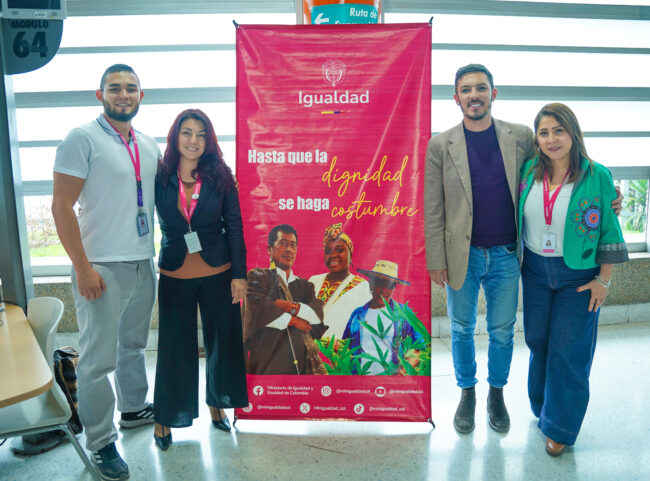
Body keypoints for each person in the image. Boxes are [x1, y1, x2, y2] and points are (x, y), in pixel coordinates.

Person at [52, 64, 159, 480]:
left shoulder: (147, 143)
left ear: (141, 95)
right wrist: (82, 268)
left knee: (133, 346)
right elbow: (61, 206)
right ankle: (100, 441)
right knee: (97, 360)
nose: (123, 95)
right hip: (100, 266)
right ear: (100, 95)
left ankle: (133, 409)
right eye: (115, 88)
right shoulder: (81, 138)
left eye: (131, 88)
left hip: (142, 261)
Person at [424, 64, 535, 434]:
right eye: (466, 89)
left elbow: (558, 163)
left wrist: (604, 189)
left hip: (507, 254)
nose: (474, 95)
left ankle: (496, 394)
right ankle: (467, 393)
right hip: (463, 255)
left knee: (503, 330)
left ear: (493, 93)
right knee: (461, 328)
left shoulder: (521, 137)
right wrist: (436, 259)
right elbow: (433, 207)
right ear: (456, 98)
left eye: (481, 88)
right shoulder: (440, 145)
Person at [519, 103, 628, 456]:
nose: (551, 139)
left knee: (569, 349)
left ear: (573, 133)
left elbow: (609, 231)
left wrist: (603, 281)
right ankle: (543, 407)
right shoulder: (528, 171)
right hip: (535, 271)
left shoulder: (597, 176)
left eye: (559, 131)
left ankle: (561, 426)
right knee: (537, 341)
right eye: (544, 132)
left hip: (579, 276)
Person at [152, 109, 248, 451]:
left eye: (201, 134)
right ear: (175, 137)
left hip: (218, 273)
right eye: (187, 133)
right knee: (174, 349)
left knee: (222, 343)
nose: (193, 140)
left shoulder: (221, 176)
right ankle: (166, 417)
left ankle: (218, 404)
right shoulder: (159, 174)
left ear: (209, 141)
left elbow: (234, 226)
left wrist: (239, 274)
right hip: (174, 273)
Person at [243, 224, 327, 375]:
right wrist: (294, 321)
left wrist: (289, 306)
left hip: (303, 367)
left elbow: (316, 316)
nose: (289, 249)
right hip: (268, 366)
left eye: (293, 245)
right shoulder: (258, 277)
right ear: (270, 249)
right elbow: (257, 310)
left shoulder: (305, 285)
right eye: (283, 243)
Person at [343, 260, 424, 375]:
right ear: (371, 284)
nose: (383, 290)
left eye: (389, 285)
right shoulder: (357, 314)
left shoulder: (403, 313)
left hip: (390, 379)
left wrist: (403, 371)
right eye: (379, 283)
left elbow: (419, 346)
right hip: (359, 377)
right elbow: (346, 345)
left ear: (394, 288)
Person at [308, 223, 371, 340]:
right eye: (328, 251)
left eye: (340, 250)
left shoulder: (363, 287)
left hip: (340, 350)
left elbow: (365, 329)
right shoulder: (313, 281)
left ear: (350, 254)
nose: (333, 255)